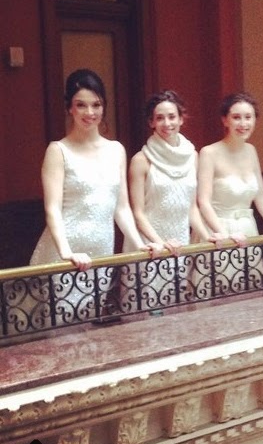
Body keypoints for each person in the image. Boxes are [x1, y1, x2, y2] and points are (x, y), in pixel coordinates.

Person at [29, 69, 161, 322]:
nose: (90, 112)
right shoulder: (58, 151)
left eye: (96, 105)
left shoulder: (116, 150)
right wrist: (67, 253)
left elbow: (121, 208)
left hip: (101, 248)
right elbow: (52, 209)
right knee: (61, 325)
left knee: (88, 323)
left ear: (104, 106)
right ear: (70, 108)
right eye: (81, 105)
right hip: (65, 249)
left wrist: (139, 243)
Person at [197, 92, 263, 245]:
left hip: (247, 230)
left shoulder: (251, 151)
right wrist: (224, 235)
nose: (243, 124)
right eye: (236, 117)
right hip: (218, 232)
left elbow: (261, 196)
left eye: (248, 117)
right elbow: (204, 202)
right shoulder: (209, 153)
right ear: (225, 120)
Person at [126, 90, 209, 253]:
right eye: (159, 118)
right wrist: (161, 244)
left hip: (180, 244)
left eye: (172, 117)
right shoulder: (141, 160)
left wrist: (207, 237)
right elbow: (138, 214)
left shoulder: (192, 156)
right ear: (151, 122)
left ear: (181, 119)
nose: (167, 123)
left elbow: (191, 208)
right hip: (151, 247)